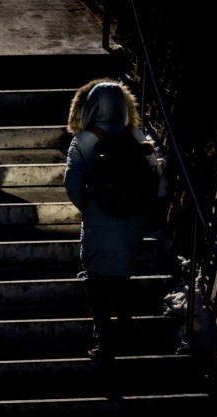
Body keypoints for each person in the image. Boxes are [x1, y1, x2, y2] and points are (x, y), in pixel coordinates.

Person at [64, 78, 153, 363]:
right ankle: (126, 330)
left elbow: (73, 184)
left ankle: (106, 343)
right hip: (134, 218)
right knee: (123, 276)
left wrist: (91, 206)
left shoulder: (82, 141)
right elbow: (155, 176)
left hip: (99, 218)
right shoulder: (136, 136)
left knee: (97, 282)